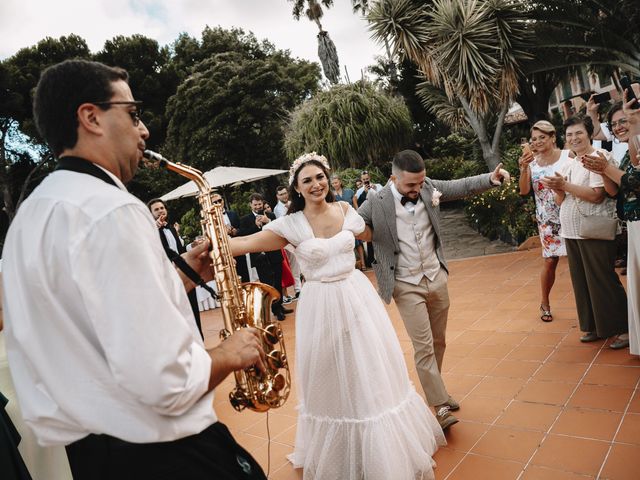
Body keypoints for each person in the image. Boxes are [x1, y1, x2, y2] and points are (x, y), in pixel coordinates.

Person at [2, 59, 267, 480]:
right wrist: (229, 353)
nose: (144, 131)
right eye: (133, 113)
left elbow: (90, 326)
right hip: (168, 453)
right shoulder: (112, 209)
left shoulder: (30, 217)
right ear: (91, 117)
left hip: (91, 457)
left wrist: (178, 276)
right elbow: (165, 384)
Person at [229, 153, 446, 480]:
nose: (316, 184)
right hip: (320, 305)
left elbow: (379, 232)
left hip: (357, 297)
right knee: (329, 371)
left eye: (320, 177)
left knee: (367, 367)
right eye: (307, 181)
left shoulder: (347, 211)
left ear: (328, 179)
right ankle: (342, 452)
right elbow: (244, 243)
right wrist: (215, 242)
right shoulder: (291, 225)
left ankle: (382, 453)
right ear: (297, 188)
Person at [358, 149, 511, 429]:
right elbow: (354, 224)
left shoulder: (428, 187)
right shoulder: (375, 202)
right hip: (404, 282)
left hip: (435, 274)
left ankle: (435, 389)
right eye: (410, 185)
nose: (418, 189)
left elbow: (461, 186)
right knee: (424, 345)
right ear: (393, 178)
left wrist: (491, 178)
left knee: (439, 341)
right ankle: (439, 405)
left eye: (421, 182)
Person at [541, 116, 628, 347]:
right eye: (569, 135)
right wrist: (556, 188)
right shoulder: (570, 163)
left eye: (578, 133)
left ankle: (623, 328)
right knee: (582, 282)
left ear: (589, 133)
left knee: (603, 279)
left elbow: (598, 195)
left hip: (594, 228)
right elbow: (562, 200)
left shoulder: (600, 158)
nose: (573, 138)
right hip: (571, 231)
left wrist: (564, 186)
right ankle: (595, 326)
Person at [582, 96, 640, 354]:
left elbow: (633, 183)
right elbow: (616, 191)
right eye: (614, 123)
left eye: (623, 121)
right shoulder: (628, 151)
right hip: (632, 224)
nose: (618, 127)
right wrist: (602, 170)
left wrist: (606, 167)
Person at [518, 120, 571, 322]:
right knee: (550, 261)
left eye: (542, 137)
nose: (538, 142)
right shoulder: (530, 162)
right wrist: (523, 168)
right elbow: (524, 191)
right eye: (534, 139)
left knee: (577, 261)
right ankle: (545, 303)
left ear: (552, 137)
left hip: (570, 214)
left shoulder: (568, 156)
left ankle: (588, 303)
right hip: (547, 221)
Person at [148, 198, 203, 336]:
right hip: (168, 276)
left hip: (184, 271)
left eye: (162, 208)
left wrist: (192, 246)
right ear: (150, 213)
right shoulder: (150, 230)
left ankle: (200, 339)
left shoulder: (171, 228)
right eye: (156, 209)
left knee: (193, 308)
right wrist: (154, 227)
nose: (160, 211)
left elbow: (180, 249)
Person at [239, 193, 292, 320]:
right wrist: (256, 226)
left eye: (259, 204)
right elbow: (242, 235)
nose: (258, 206)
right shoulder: (245, 219)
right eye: (255, 204)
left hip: (274, 253)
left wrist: (268, 222)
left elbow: (279, 229)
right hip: (259, 257)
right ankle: (276, 310)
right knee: (268, 284)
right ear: (250, 205)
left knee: (278, 281)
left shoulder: (271, 215)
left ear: (262, 203)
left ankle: (280, 305)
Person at [274, 186, 302, 301]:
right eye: (281, 194)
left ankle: (298, 289)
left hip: (298, 236)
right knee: (291, 264)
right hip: (286, 241)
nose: (284, 196)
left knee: (298, 264)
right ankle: (296, 289)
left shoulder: (293, 204)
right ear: (277, 196)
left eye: (285, 193)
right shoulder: (276, 209)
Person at [355, 171, 383, 268]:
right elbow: (359, 205)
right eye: (364, 180)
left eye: (367, 179)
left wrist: (376, 191)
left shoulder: (378, 186)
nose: (366, 181)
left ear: (369, 177)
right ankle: (371, 260)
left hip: (380, 215)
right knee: (370, 239)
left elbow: (385, 197)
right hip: (369, 217)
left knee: (382, 237)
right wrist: (365, 193)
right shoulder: (359, 192)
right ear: (361, 180)